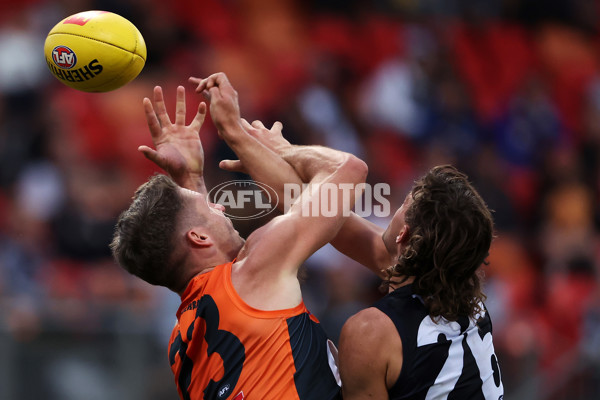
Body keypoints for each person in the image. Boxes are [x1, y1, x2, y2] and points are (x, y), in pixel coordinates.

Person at [203, 79, 505, 398]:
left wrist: (284, 150)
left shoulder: (371, 332)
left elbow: (324, 204)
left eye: (404, 203)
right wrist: (247, 143)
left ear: (403, 235)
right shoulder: (458, 290)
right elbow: (316, 211)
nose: (397, 205)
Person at [110, 78, 368, 399]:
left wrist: (190, 177)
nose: (219, 205)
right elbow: (349, 171)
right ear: (199, 238)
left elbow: (214, 259)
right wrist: (250, 138)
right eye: (209, 206)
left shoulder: (180, 346)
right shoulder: (255, 268)